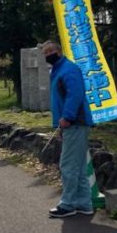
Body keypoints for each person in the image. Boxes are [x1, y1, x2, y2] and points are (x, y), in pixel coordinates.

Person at [42, 40, 94, 218]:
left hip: (75, 122)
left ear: (59, 50)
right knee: (78, 166)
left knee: (68, 164)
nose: (48, 54)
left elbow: (76, 94)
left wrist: (68, 116)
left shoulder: (68, 69)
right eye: (45, 52)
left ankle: (68, 204)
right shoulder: (58, 70)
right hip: (73, 123)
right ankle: (84, 203)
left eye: (50, 50)